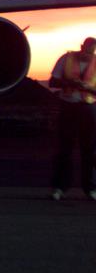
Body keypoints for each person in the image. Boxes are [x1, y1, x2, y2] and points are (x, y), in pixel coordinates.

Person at [48, 37, 96, 201]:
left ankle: (89, 188)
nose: (88, 54)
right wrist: (70, 83)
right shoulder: (66, 59)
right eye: (87, 49)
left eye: (91, 51)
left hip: (88, 108)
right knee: (64, 149)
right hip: (69, 106)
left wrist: (88, 88)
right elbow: (52, 81)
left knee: (89, 150)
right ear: (82, 47)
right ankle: (60, 187)